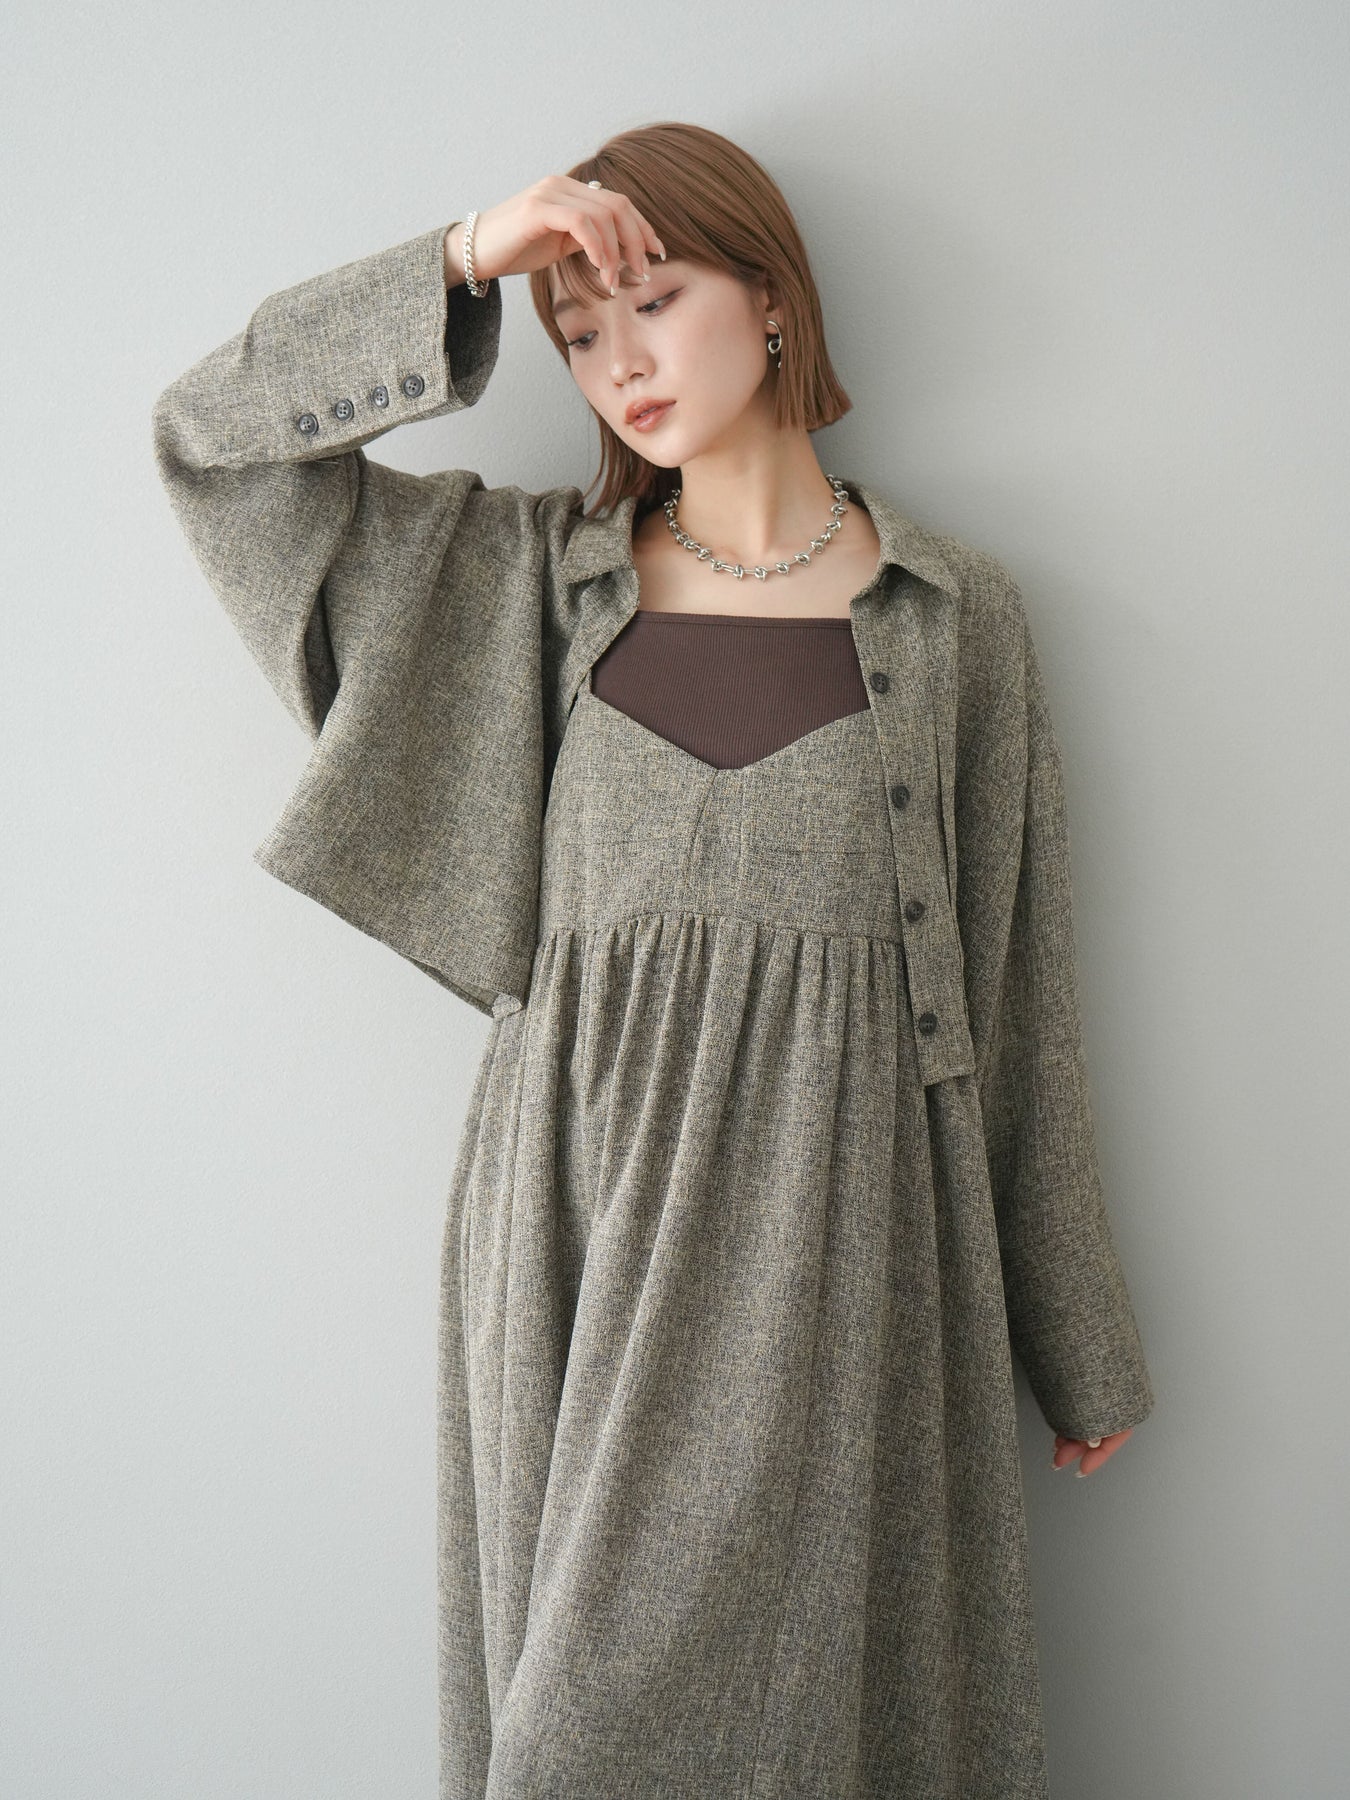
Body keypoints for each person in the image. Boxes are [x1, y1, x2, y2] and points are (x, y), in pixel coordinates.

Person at [152, 119, 1155, 1800]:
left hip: (847, 1244)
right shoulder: (521, 588)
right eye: (576, 331)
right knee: (572, 1727)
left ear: (770, 300)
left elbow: (1008, 992)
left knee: (821, 1716)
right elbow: (211, 442)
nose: (616, 363)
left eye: (654, 301)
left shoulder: (952, 617)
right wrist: (464, 257)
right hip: (579, 1227)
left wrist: (1076, 1335)